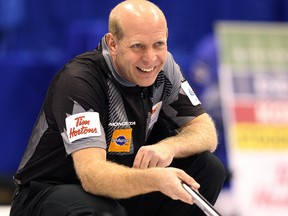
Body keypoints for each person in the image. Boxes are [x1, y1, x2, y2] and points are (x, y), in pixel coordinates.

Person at [10, 1, 225, 215]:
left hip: (114, 191)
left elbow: (207, 133)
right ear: (113, 43)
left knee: (208, 169)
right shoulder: (80, 81)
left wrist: (169, 147)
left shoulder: (164, 68)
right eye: (138, 46)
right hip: (47, 193)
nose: (150, 58)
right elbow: (93, 175)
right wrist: (155, 180)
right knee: (102, 209)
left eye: (158, 44)